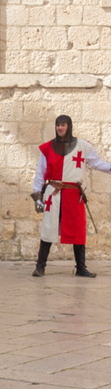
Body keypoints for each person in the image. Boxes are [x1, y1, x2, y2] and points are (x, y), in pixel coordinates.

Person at [31, 114, 111, 277]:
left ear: (69, 126)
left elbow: (97, 163)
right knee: (48, 227)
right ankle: (40, 267)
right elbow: (40, 173)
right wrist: (37, 196)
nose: (60, 128)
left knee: (78, 229)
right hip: (53, 193)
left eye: (63, 125)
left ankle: (81, 268)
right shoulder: (47, 148)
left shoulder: (82, 146)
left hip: (74, 195)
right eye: (57, 125)